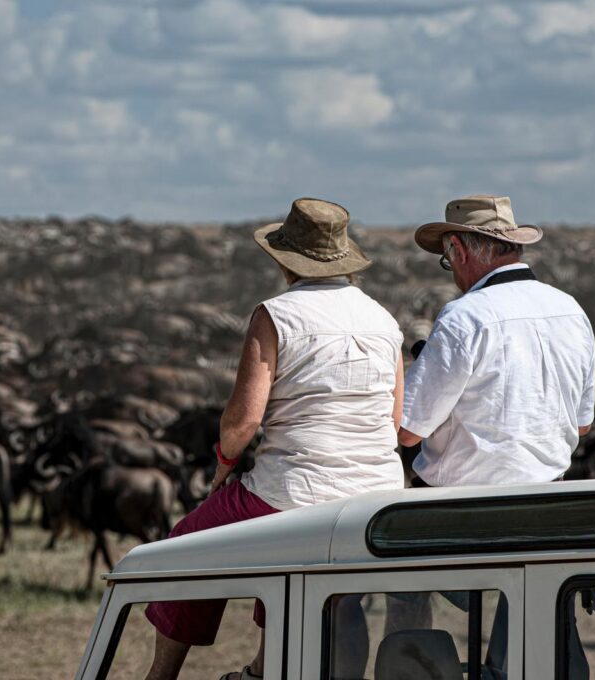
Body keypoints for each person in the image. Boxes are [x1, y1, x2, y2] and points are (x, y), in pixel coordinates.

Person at [143, 197, 406, 680]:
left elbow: (242, 422)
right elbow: (393, 421)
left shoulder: (276, 315)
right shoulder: (385, 320)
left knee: (185, 546)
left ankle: (161, 677)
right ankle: (262, 670)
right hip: (377, 496)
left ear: (285, 261)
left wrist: (223, 468)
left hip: (298, 490)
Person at [397, 194, 595, 483]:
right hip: (552, 495)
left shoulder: (463, 317)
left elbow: (408, 431)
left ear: (457, 249)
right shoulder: (571, 309)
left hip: (468, 503)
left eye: (446, 260)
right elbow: (582, 425)